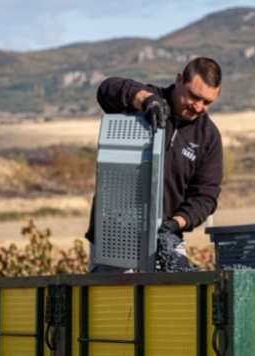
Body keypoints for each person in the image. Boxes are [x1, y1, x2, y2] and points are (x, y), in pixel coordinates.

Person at [86, 57, 223, 272]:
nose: (198, 107)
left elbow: (205, 196)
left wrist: (176, 223)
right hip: (114, 236)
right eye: (194, 96)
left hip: (167, 238)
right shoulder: (144, 102)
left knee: (173, 302)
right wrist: (145, 100)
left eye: (207, 102)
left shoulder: (208, 136)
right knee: (114, 303)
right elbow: (107, 89)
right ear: (179, 80)